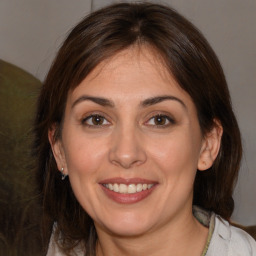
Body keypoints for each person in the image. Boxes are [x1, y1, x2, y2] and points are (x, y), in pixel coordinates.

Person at [33, 2, 256, 256]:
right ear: (59, 149)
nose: (126, 154)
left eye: (159, 120)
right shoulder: (57, 247)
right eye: (96, 120)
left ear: (207, 144)